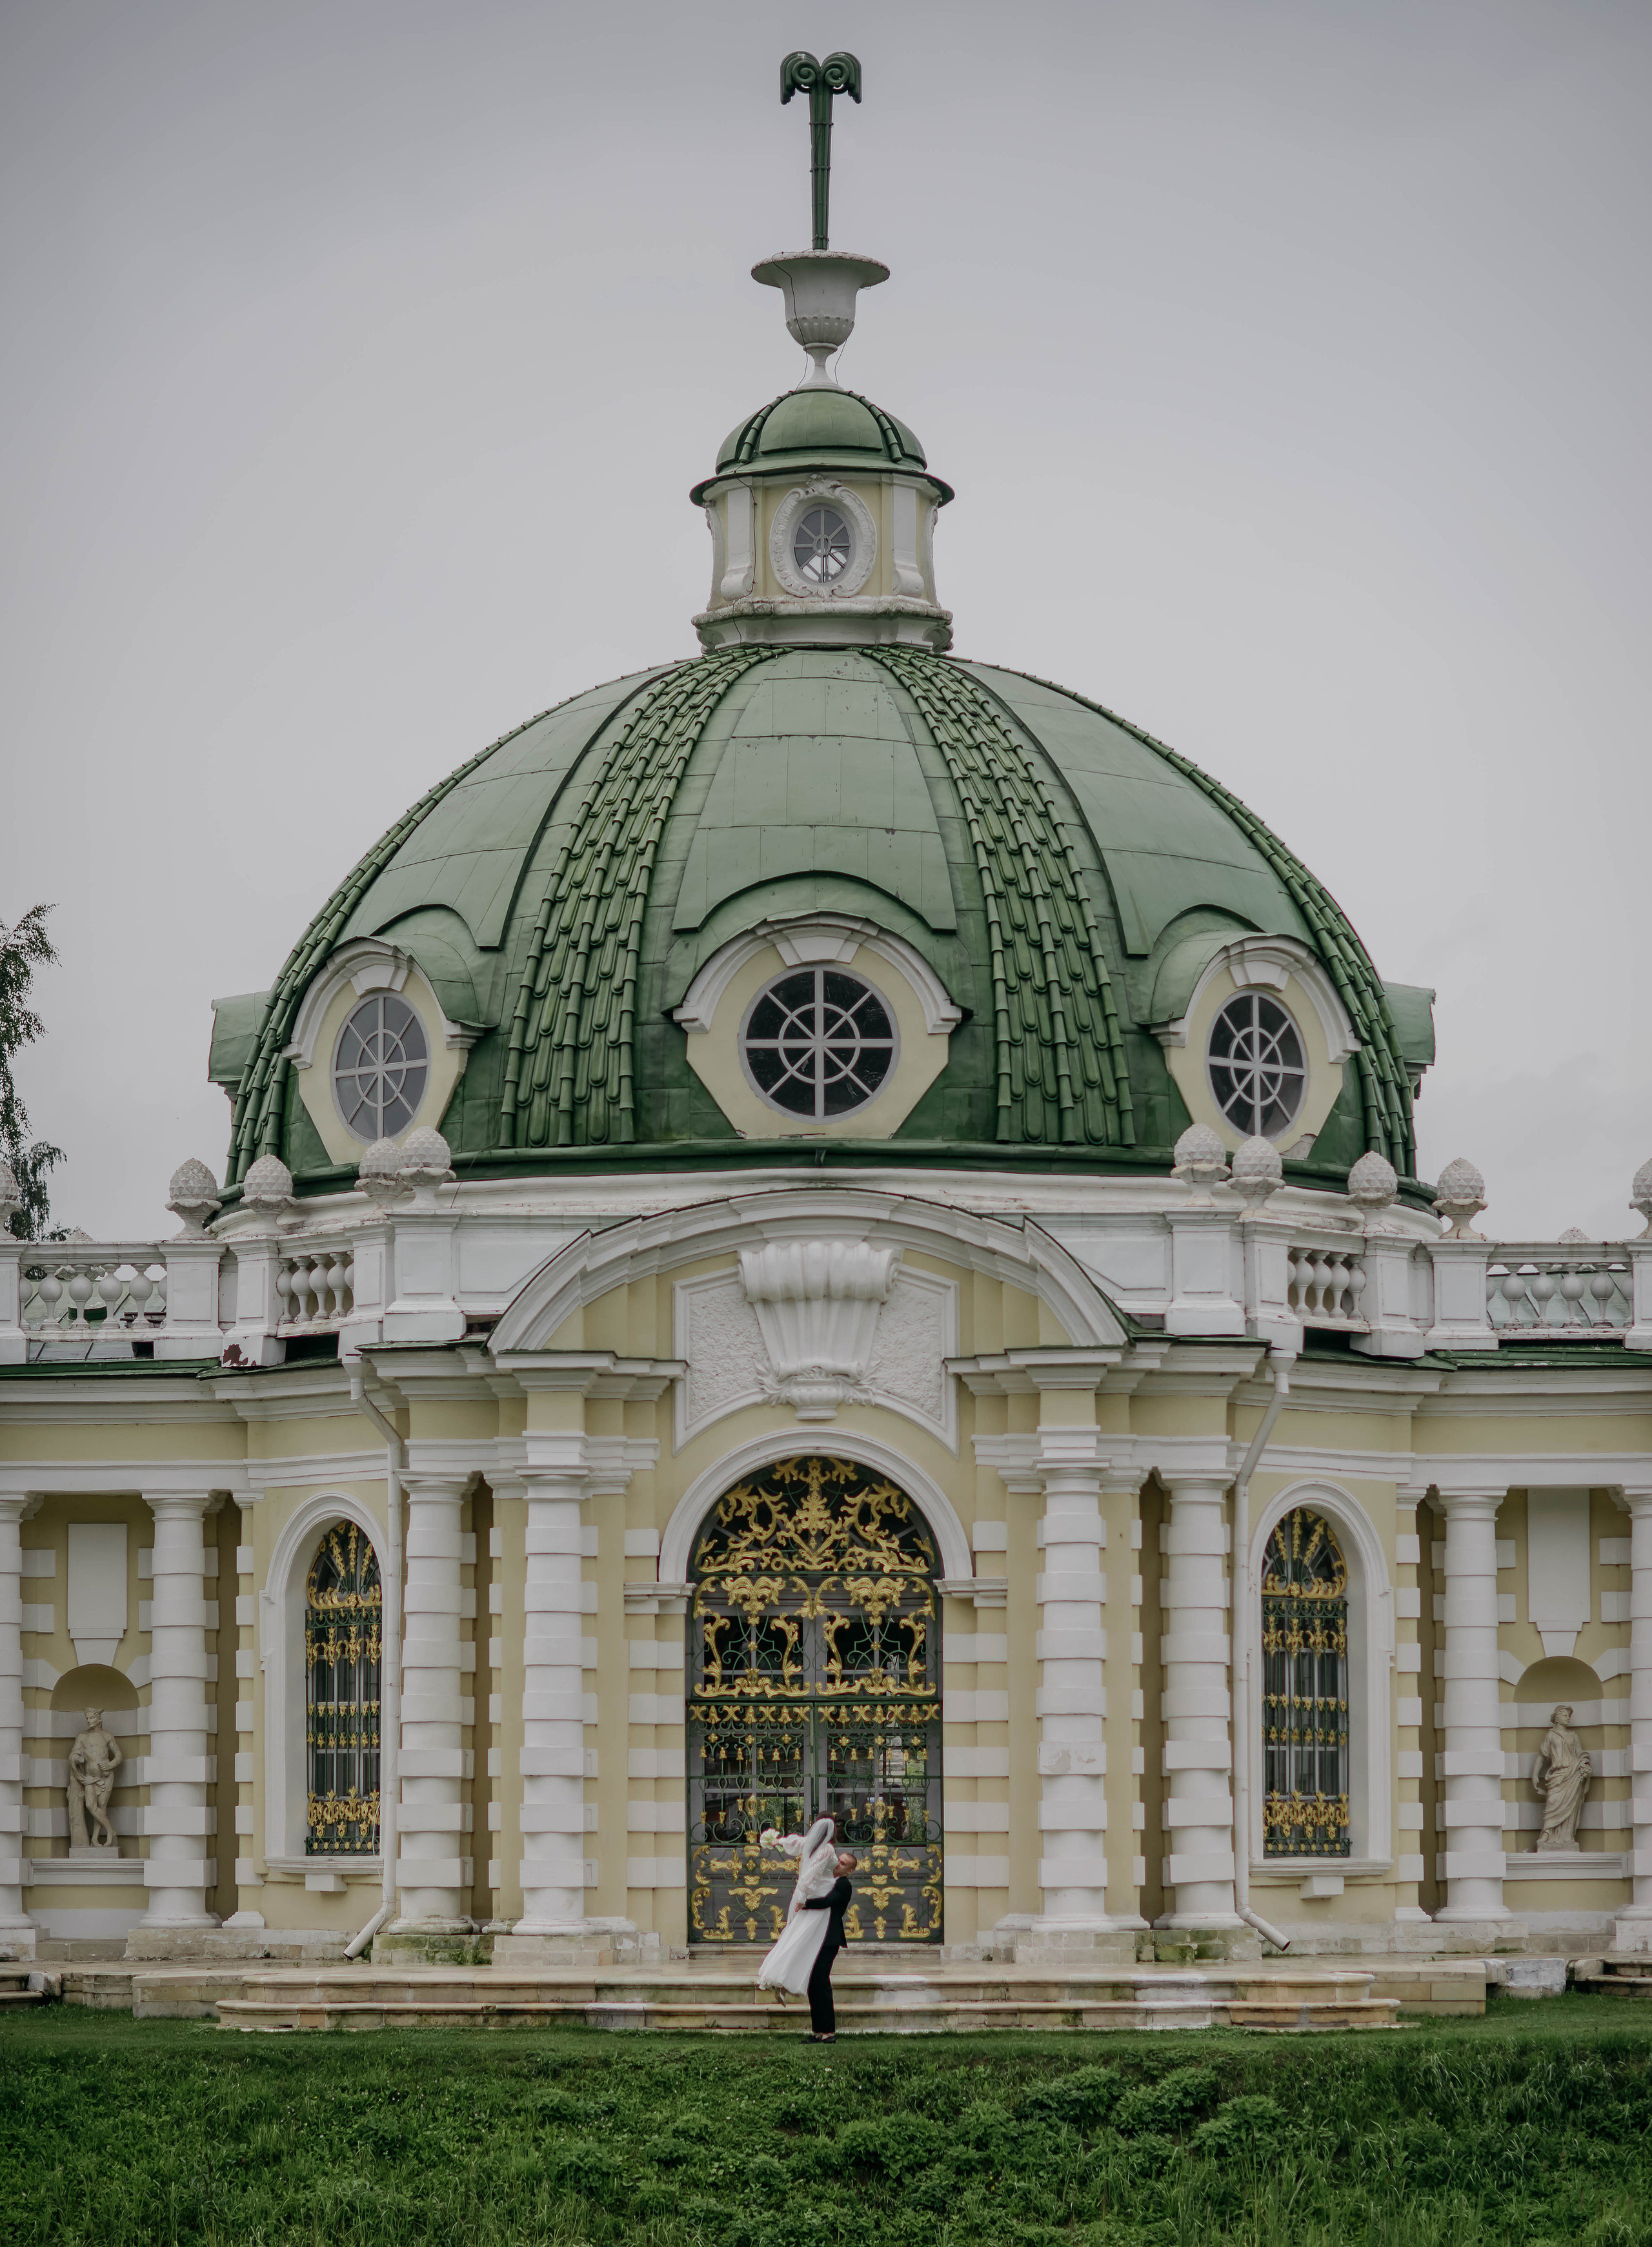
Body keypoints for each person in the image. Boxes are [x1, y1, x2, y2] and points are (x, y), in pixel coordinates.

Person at [756, 1816, 841, 2000]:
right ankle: (784, 1978)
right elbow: (812, 1874)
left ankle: (781, 1978)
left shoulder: (810, 1844)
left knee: (795, 1936)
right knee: (803, 1940)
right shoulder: (827, 1849)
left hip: (807, 1895)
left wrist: (776, 1841)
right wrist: (802, 1898)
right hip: (816, 1896)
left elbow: (792, 1843)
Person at [799, 1847, 857, 2043]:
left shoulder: (844, 1885)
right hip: (818, 1937)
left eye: (843, 1864)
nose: (837, 1864)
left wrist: (805, 1904)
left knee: (821, 1982)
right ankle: (818, 2031)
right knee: (813, 1983)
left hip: (829, 1939)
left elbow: (828, 1902)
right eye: (838, 1860)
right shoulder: (827, 1880)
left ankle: (828, 2032)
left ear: (849, 1871)